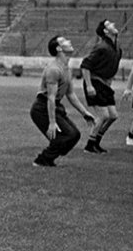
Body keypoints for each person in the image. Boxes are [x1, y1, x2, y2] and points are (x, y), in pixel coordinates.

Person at [30, 36, 89, 167]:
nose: (69, 41)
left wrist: (84, 113)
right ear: (59, 48)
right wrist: (52, 123)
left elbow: (70, 94)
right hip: (42, 108)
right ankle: (42, 160)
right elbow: (50, 97)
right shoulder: (54, 69)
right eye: (65, 41)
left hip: (55, 106)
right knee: (67, 136)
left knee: (74, 135)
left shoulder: (67, 68)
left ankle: (50, 156)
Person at [80, 20, 121, 154]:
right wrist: (90, 86)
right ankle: (89, 146)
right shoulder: (101, 47)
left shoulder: (117, 48)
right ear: (105, 31)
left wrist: (109, 82)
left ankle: (96, 142)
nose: (114, 24)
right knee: (103, 115)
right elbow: (85, 65)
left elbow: (111, 68)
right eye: (110, 24)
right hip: (94, 82)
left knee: (113, 116)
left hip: (104, 85)